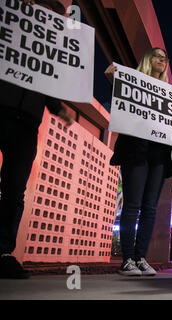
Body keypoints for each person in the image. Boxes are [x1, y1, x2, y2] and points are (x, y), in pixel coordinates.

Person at [0, 0, 73, 279]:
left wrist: (59, 110)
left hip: (28, 124)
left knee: (14, 189)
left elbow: (48, 84)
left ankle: (4, 252)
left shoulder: (51, 54)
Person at [105, 48, 172, 276]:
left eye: (165, 57)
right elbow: (119, 93)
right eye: (156, 55)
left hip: (158, 154)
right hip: (136, 150)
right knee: (133, 205)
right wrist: (111, 76)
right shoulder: (134, 80)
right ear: (147, 59)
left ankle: (141, 257)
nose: (162, 60)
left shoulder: (169, 91)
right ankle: (127, 259)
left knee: (150, 208)